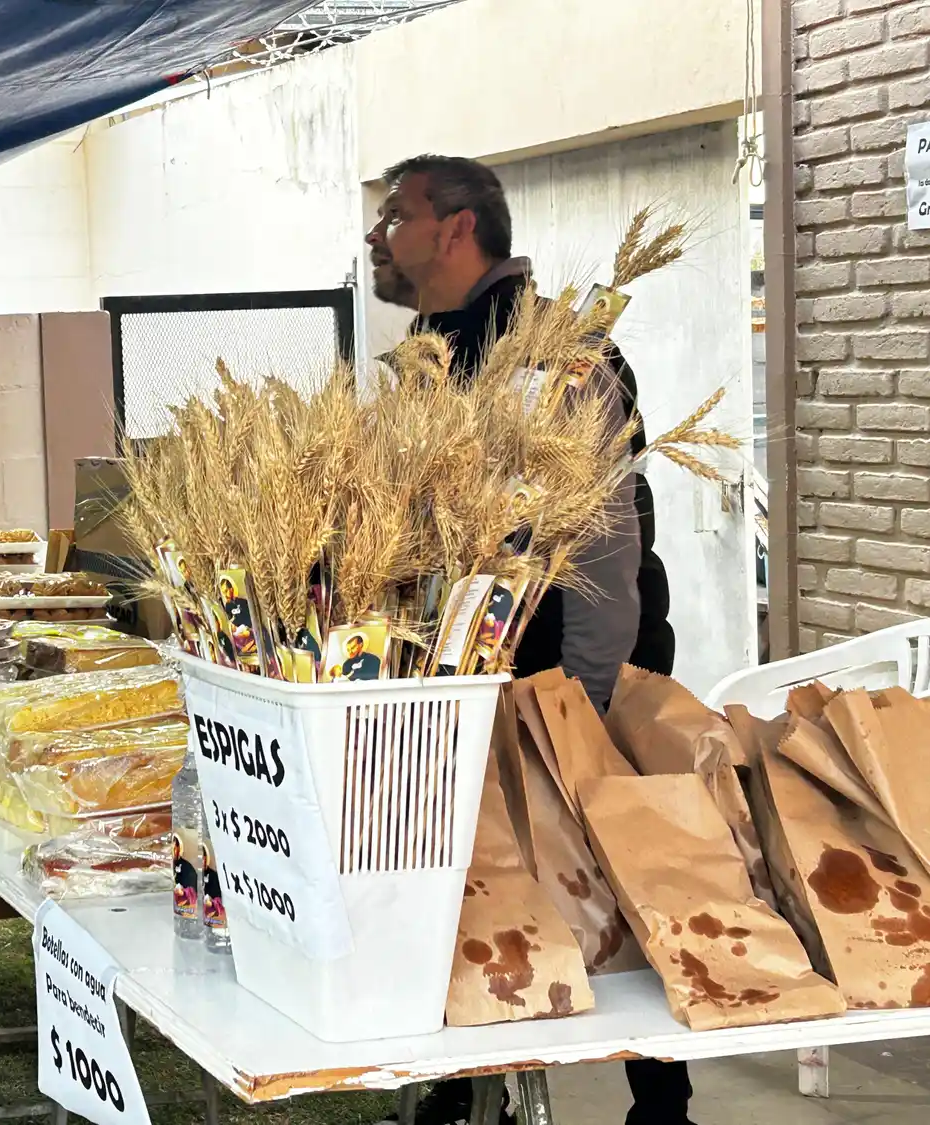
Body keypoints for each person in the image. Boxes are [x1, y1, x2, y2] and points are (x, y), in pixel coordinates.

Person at [365, 156, 688, 1125]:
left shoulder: (554, 352)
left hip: (564, 670)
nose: (379, 237)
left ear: (456, 229)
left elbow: (601, 540)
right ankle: (460, 1092)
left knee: (620, 883)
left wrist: (584, 702)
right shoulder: (434, 344)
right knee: (464, 876)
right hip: (467, 671)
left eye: (394, 216)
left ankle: (664, 1108)